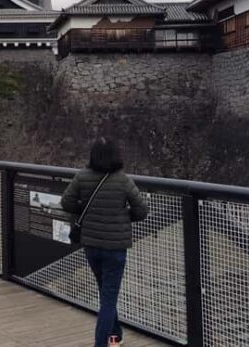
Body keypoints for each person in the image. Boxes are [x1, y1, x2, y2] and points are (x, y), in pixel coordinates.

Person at [61, 137, 149, 347]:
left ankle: (115, 335)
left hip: (91, 245)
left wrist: (87, 210)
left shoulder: (82, 177)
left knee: (105, 291)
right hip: (115, 247)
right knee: (108, 299)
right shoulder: (122, 180)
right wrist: (123, 215)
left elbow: (66, 202)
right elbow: (142, 210)